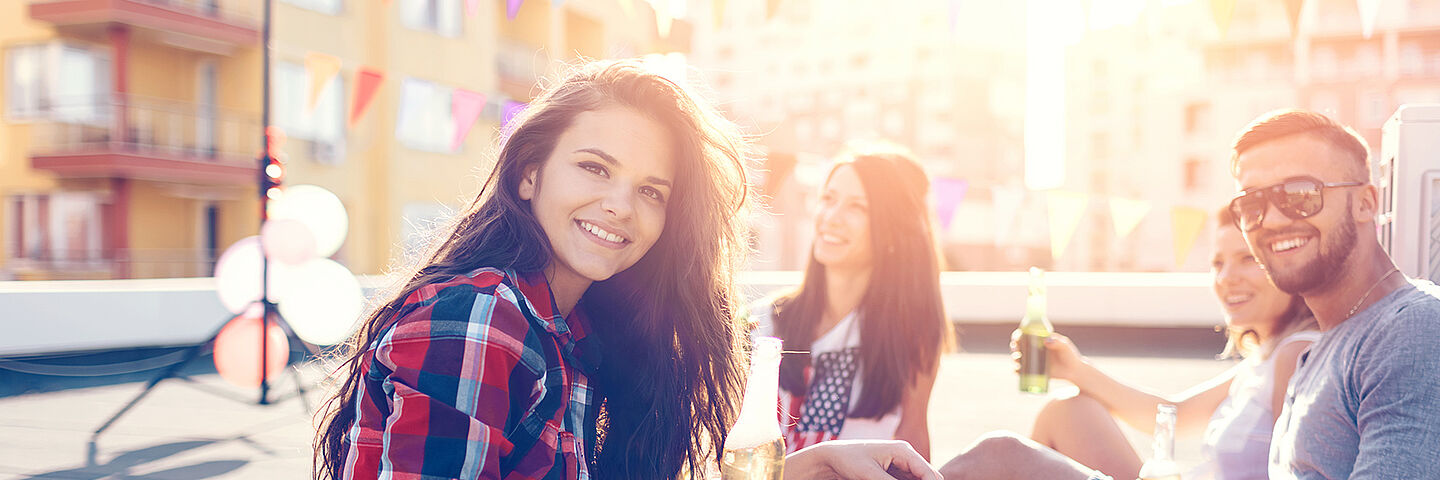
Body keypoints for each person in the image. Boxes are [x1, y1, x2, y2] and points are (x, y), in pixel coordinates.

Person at [311, 60, 756, 480]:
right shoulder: (482, 318)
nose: (621, 206)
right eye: (595, 167)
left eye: (651, 192)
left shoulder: (574, 333)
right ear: (529, 173)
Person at [1021, 205, 1319, 480]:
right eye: (1217, 263)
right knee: (1067, 413)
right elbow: (1173, 414)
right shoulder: (1265, 359)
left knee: (1002, 451)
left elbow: (1293, 473)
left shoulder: (1295, 354)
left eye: (1248, 259)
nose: (1227, 277)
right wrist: (1075, 370)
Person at [1226, 109, 1440, 479]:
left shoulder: (1412, 330)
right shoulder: (1324, 347)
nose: (1273, 220)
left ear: (1366, 203)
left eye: (1300, 194)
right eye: (1252, 205)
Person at [751, 144, 950, 459]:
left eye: (857, 207)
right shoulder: (762, 322)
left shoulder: (912, 334)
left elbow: (915, 449)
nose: (832, 217)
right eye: (828, 199)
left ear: (891, 231)